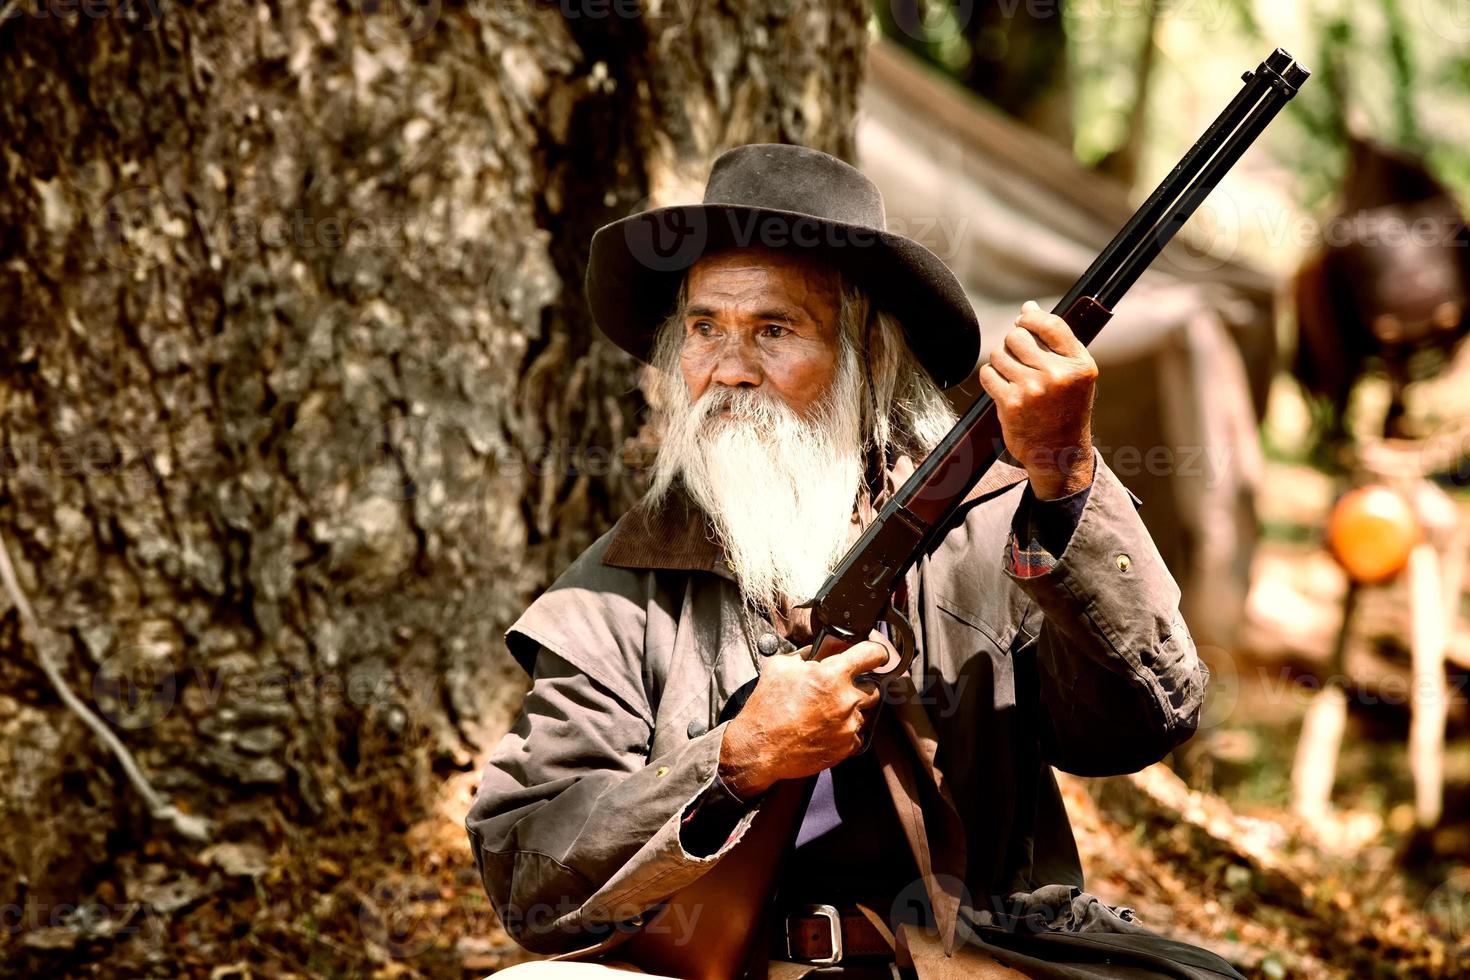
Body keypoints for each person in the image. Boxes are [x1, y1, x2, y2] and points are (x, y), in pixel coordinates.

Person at [467, 144, 1242, 979]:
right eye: (704, 329)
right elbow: (527, 875)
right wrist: (734, 762)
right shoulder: (617, 589)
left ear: (868, 355)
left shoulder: (990, 523)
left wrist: (1065, 476)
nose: (728, 368)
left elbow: (1139, 723)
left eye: (774, 329)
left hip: (972, 962)